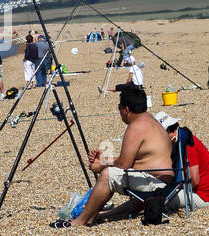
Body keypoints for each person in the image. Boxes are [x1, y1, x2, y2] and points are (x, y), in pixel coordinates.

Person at [64, 85, 175, 227]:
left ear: (126, 109)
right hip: (164, 180)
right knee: (110, 171)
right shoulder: (151, 121)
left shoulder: (136, 127)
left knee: (108, 175)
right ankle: (90, 217)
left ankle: (79, 221)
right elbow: (138, 159)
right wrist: (104, 159)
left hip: (157, 183)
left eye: (119, 107)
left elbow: (124, 164)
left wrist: (101, 166)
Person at [154, 112, 209, 208]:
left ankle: (127, 210)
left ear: (168, 132)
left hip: (204, 196)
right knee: (156, 190)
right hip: (203, 193)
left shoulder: (187, 144)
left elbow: (194, 179)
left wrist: (174, 189)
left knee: (156, 196)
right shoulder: (183, 139)